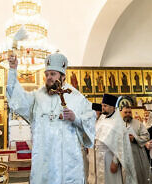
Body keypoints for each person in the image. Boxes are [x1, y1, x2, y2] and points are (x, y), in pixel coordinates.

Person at [7, 52, 96, 184]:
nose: (49, 78)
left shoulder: (76, 97)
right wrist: (13, 70)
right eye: (47, 74)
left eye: (53, 74)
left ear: (63, 76)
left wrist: (75, 118)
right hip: (44, 159)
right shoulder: (38, 96)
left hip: (67, 161)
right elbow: (17, 98)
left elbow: (91, 118)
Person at [94, 94, 136, 184]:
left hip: (109, 158)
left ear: (112, 107)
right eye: (102, 105)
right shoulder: (101, 118)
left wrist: (115, 162)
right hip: (98, 157)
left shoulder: (118, 123)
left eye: (105, 106)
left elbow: (121, 145)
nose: (102, 108)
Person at [121, 106, 152, 184]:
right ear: (121, 113)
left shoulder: (138, 123)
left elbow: (146, 136)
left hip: (137, 154)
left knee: (138, 175)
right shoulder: (117, 124)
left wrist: (135, 139)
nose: (128, 114)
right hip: (122, 154)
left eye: (129, 112)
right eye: (125, 112)